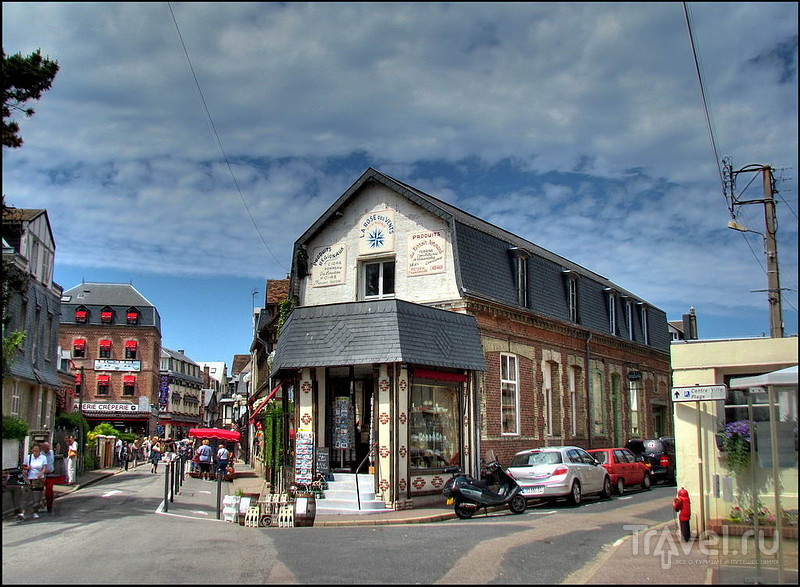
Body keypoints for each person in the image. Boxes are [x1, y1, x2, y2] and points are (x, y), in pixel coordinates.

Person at [20, 443, 48, 521]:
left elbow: (44, 467)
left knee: (36, 498)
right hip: (29, 479)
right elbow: (23, 466)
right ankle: (23, 513)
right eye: (34, 450)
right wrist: (27, 468)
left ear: (40, 450)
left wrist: (41, 473)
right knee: (27, 496)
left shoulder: (43, 458)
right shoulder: (28, 457)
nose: (35, 451)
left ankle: (34, 511)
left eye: (37, 450)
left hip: (39, 480)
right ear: (32, 450)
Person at [40, 441, 65, 513]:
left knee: (49, 490)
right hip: (42, 475)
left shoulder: (51, 452)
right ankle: (42, 503)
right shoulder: (40, 455)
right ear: (43, 448)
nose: (48, 449)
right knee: (40, 490)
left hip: (50, 474)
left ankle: (49, 505)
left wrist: (58, 445)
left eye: (48, 447)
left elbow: (58, 450)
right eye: (46, 448)